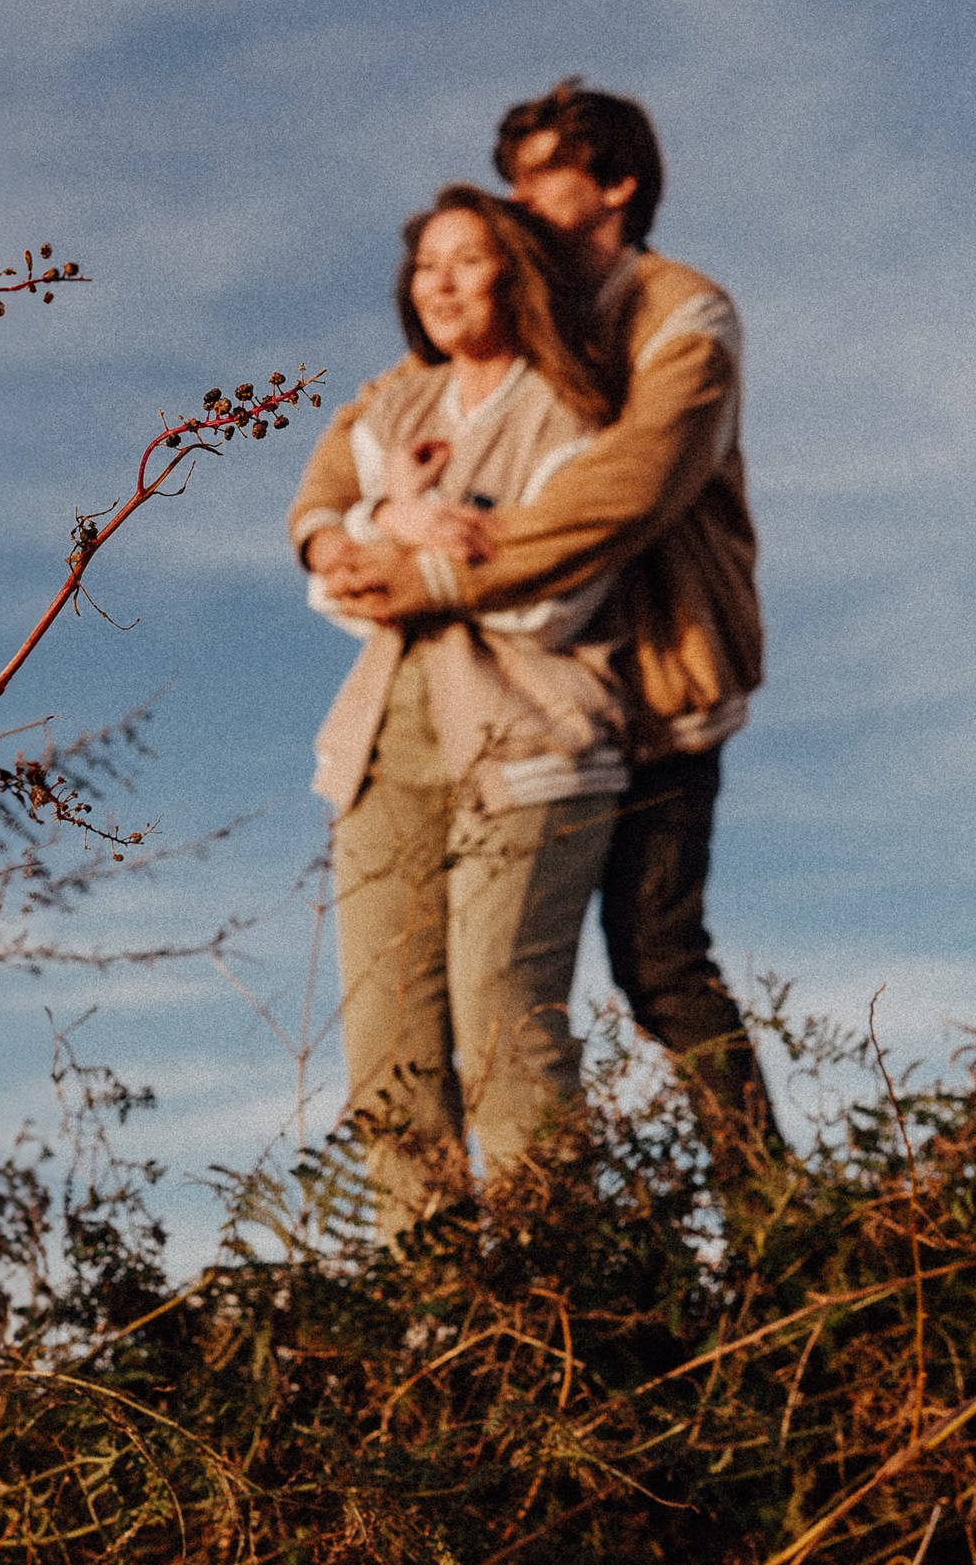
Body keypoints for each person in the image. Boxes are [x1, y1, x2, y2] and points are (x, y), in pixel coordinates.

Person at [317, 83, 782, 1183]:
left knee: (656, 962)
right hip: (523, 691)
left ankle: (773, 1217)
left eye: (539, 177)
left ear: (614, 185)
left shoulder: (680, 314)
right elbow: (359, 433)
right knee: (461, 998)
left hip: (658, 690)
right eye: (511, 177)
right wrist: (340, 526)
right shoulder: (515, 319)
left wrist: (424, 569)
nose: (517, 200)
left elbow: (625, 491)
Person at [289, 187, 627, 1230]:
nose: (437, 283)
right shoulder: (393, 406)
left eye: (466, 260)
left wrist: (411, 538)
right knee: (385, 1048)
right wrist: (393, 519)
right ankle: (435, 1327)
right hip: (378, 749)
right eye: (423, 264)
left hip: (529, 742)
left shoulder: (568, 408)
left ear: (513, 274)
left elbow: (551, 595)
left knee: (503, 1027)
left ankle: (557, 1300)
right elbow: (328, 574)